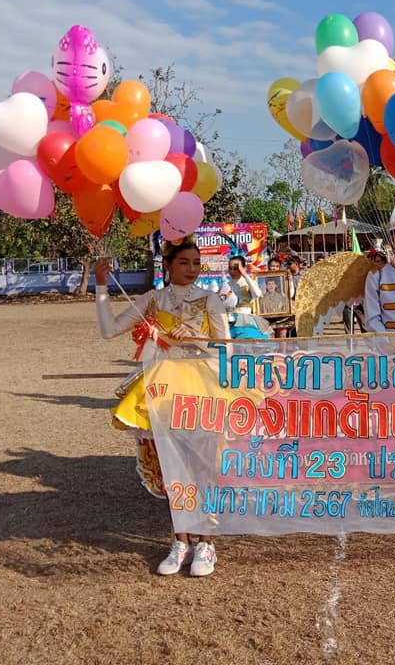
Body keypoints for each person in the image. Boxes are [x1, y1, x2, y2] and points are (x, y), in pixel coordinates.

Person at [94, 238, 231, 577]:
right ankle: (180, 541)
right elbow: (109, 330)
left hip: (202, 388)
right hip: (163, 390)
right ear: (167, 265)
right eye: (184, 262)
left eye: (196, 263)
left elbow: (226, 347)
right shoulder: (152, 300)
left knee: (204, 466)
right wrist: (101, 285)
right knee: (173, 468)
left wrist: (197, 338)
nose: (192, 269)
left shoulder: (210, 299)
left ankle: (206, 543)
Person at [220, 255, 269, 339]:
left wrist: (245, 274)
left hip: (245, 320)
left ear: (243, 268)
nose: (232, 271)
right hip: (229, 319)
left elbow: (258, 294)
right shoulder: (226, 285)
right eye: (230, 268)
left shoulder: (248, 283)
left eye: (236, 268)